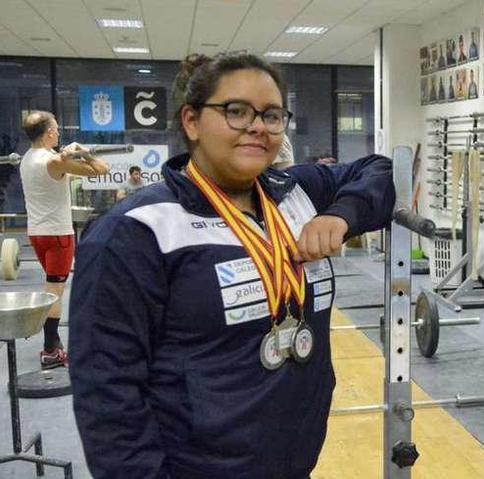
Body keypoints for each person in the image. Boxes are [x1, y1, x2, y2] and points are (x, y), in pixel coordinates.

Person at [68, 52, 395, 478]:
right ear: (191, 121)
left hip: (293, 459)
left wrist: (341, 214)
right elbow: (108, 398)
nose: (258, 126)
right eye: (236, 111)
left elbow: (381, 171)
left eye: (272, 115)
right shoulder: (136, 231)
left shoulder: (293, 193)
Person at [19, 112, 110, 369]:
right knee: (55, 291)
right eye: (56, 129)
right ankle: (51, 349)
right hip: (58, 234)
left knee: (51, 285)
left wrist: (68, 157)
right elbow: (102, 169)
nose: (58, 133)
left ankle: (51, 345)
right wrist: (84, 151)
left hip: (36, 233)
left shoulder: (26, 159)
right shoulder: (54, 162)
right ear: (48, 133)